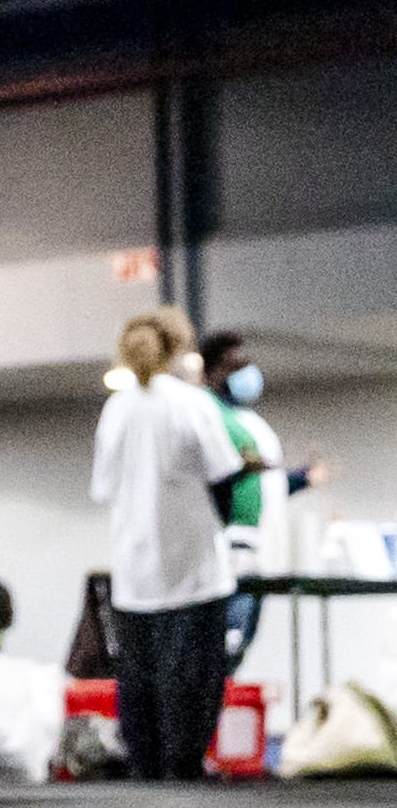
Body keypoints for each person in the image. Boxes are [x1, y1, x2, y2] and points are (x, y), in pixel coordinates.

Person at [92, 307, 244, 781]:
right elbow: (224, 474)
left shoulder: (116, 409)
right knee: (193, 674)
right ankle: (185, 763)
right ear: (177, 349)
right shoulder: (191, 403)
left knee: (138, 676)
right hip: (194, 567)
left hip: (135, 569)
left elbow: (104, 488)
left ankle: (145, 765)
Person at [197, 329, 320, 662]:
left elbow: (265, 483)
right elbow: (220, 474)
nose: (244, 371)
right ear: (214, 369)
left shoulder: (244, 418)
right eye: (234, 364)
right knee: (227, 639)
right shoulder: (205, 411)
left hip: (258, 538)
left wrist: (301, 480)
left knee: (241, 639)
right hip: (231, 539)